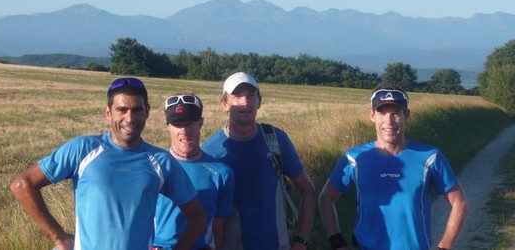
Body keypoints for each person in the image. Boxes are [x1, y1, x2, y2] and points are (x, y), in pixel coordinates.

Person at [10, 77, 206, 250]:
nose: (129, 118)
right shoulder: (83, 150)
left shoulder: (161, 161)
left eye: (137, 110)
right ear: (108, 112)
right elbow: (23, 185)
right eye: (122, 110)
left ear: (147, 112)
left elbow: (197, 217)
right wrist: (59, 237)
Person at [319, 86, 469, 250]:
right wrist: (337, 242)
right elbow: (326, 198)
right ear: (372, 116)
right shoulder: (355, 158)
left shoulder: (429, 157)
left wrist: (445, 246)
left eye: (395, 113)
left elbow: (459, 203)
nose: (388, 121)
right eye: (382, 113)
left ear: (406, 116)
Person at [201, 72, 317, 250]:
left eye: (251, 96)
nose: (245, 102)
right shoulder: (210, 151)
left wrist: (302, 240)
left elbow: (308, 189)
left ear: (259, 102)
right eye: (237, 96)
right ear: (224, 104)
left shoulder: (275, 140)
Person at [153, 93, 235, 250]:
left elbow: (218, 230)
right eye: (178, 124)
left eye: (190, 123)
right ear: (168, 126)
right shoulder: (154, 167)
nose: (184, 131)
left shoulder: (222, 173)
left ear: (201, 123)